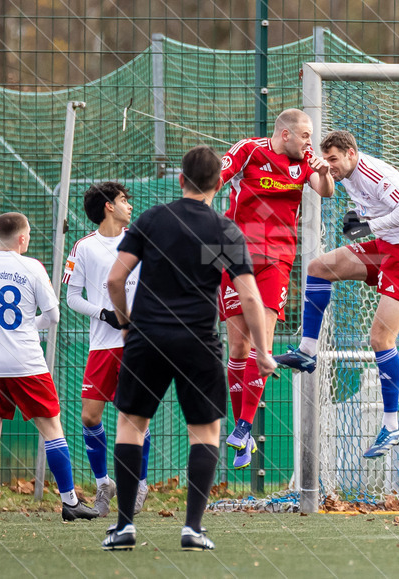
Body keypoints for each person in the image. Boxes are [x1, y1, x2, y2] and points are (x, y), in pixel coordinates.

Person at [101, 146, 273, 551]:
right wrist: (263, 352)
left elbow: (114, 280)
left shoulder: (152, 219)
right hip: (198, 341)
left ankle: (125, 526)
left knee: (131, 425)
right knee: (206, 432)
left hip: (148, 339)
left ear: (181, 180)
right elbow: (249, 298)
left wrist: (127, 325)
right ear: (218, 184)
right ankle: (192, 529)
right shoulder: (224, 230)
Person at [274, 130, 399, 458]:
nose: (331, 166)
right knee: (319, 267)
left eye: (334, 159)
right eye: (328, 159)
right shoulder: (345, 175)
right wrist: (363, 221)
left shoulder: (375, 172)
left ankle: (392, 427)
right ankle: (307, 351)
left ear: (351, 153)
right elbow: (371, 213)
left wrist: (369, 226)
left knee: (380, 339)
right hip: (387, 246)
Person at [0, 212, 98, 523]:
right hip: (27, 364)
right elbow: (53, 316)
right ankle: (69, 502)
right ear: (23, 238)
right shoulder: (31, 267)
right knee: (52, 431)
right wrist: (30, 326)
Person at [219, 109, 335, 469]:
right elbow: (215, 179)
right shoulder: (249, 150)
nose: (309, 142)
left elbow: (326, 192)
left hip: (278, 260)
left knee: (261, 342)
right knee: (237, 345)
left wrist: (323, 173)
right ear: (285, 135)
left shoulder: (304, 166)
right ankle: (244, 432)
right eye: (305, 135)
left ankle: (242, 426)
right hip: (235, 255)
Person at [63, 182, 149, 517]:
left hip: (136, 343)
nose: (130, 205)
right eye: (124, 200)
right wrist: (104, 313)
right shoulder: (84, 247)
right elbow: (71, 298)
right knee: (90, 416)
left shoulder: (139, 240)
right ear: (108, 207)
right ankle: (103, 484)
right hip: (101, 345)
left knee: (135, 416)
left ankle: (140, 484)